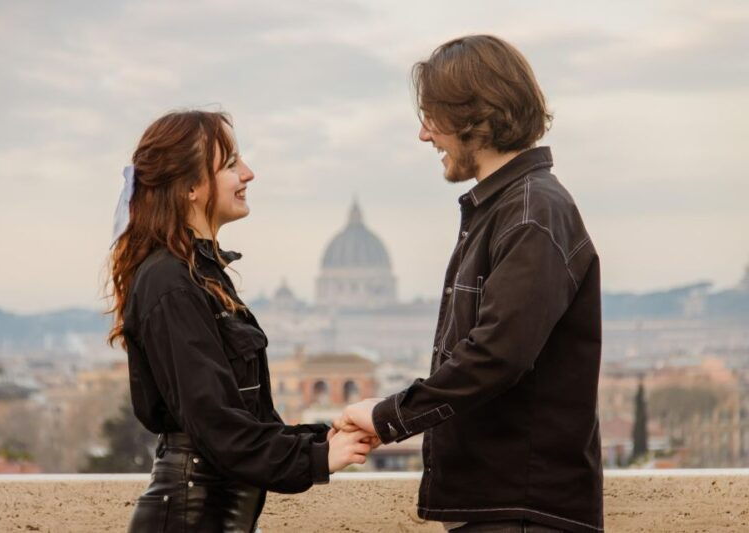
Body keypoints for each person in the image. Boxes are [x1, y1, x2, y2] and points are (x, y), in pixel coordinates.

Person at [334, 35, 604, 533]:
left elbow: (498, 353)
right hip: (507, 507)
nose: (423, 135)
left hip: (519, 510)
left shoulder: (530, 212)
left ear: (475, 117)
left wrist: (389, 415)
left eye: (431, 117)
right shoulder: (512, 208)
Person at [107, 110, 374, 532]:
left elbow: (246, 417)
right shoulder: (170, 281)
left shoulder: (198, 275)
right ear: (191, 187)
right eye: (231, 164)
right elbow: (216, 423)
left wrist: (321, 439)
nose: (248, 173)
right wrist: (318, 458)